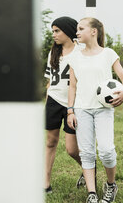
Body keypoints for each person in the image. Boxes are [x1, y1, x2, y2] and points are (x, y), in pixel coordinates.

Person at [67, 17, 123, 203]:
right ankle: (92, 194)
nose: (76, 32)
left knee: (106, 150)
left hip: (103, 109)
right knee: (86, 152)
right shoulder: (75, 57)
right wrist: (70, 111)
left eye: (81, 28)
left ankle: (111, 185)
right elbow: (72, 86)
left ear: (93, 31)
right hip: (81, 109)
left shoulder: (108, 54)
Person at [44, 16, 85, 194]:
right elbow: (50, 82)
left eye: (57, 31)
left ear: (68, 31)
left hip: (72, 104)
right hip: (53, 101)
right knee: (50, 142)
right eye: (52, 31)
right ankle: (45, 184)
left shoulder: (82, 52)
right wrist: (46, 103)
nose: (54, 34)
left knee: (71, 149)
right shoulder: (52, 53)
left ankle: (88, 168)